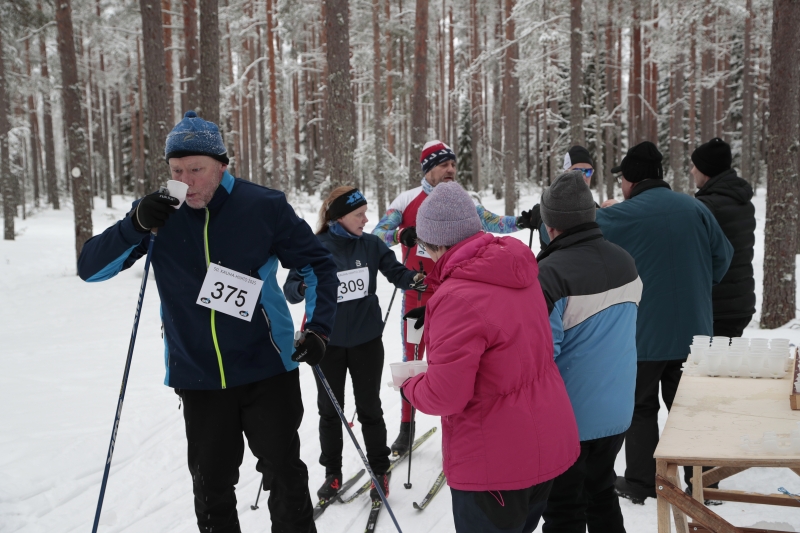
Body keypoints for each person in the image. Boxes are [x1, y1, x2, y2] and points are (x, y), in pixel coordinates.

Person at [77, 110, 339, 533]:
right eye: (177, 170)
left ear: (221, 164)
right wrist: (134, 224)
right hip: (197, 374)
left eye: (196, 169)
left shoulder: (263, 205)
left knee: (285, 476)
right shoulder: (157, 215)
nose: (187, 181)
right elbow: (90, 269)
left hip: (267, 366)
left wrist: (320, 327)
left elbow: (318, 266)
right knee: (212, 487)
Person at [400, 182, 580, 533]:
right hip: (545, 441)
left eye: (424, 244)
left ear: (438, 242)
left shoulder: (456, 296)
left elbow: (445, 395)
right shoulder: (518, 270)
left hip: (495, 464)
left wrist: (410, 385)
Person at [594, 141, 733, 505]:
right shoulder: (695, 207)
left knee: (640, 407)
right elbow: (724, 257)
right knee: (690, 408)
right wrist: (699, 286)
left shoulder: (623, 214)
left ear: (631, 180)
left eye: (622, 180)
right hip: (695, 332)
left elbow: (570, 230)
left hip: (645, 334)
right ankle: (705, 483)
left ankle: (640, 481)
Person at [373, 140, 527, 455]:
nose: (451, 170)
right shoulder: (406, 200)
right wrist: (401, 234)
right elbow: (378, 235)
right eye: (444, 165)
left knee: (456, 363)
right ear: (428, 168)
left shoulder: (461, 200)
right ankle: (407, 426)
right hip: (417, 293)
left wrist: (525, 221)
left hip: (456, 291)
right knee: (414, 360)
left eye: (454, 165)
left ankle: (457, 427)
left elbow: (492, 222)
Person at [283, 186, 425, 503]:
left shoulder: (371, 245)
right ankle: (332, 475)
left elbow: (397, 273)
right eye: (359, 214)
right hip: (326, 344)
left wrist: (416, 279)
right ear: (340, 216)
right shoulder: (314, 247)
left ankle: (379, 471)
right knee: (330, 412)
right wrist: (306, 283)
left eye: (365, 212)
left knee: (369, 409)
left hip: (366, 342)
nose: (366, 218)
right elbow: (290, 290)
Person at [535, 171, 641, 533]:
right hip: (617, 410)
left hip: (571, 418)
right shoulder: (625, 260)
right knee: (601, 493)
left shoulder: (548, 274)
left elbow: (541, 356)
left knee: (563, 508)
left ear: (550, 225)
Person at [691, 137, 756, 338]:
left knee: (712, 368)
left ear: (706, 170)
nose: (692, 171)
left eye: (695, 166)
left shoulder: (708, 207)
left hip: (718, 307)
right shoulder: (742, 201)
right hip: (739, 302)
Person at [519, 145, 598, 251]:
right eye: (577, 171)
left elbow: (558, 238)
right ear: (566, 172)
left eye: (588, 172)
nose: (583, 176)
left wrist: (541, 219)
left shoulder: (597, 208)